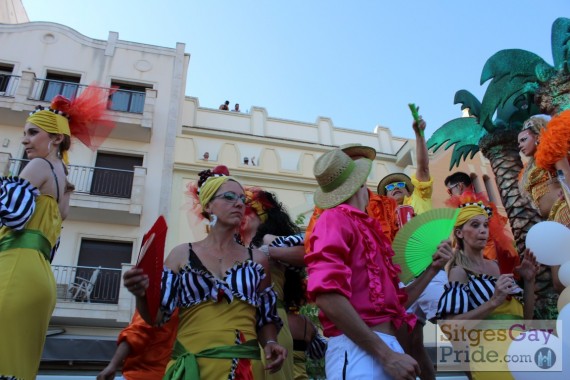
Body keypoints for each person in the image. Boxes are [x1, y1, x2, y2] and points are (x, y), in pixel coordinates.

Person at [305, 148, 453, 379]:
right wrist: (386, 355)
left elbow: (397, 302)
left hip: (384, 348)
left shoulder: (366, 227)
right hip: (361, 351)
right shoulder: (333, 218)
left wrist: (433, 269)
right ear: (362, 183)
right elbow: (326, 295)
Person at [123, 172, 287, 379]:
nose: (238, 204)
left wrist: (271, 342)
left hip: (243, 368)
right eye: (229, 197)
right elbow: (156, 318)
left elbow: (265, 317)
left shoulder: (258, 259)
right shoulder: (180, 254)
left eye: (242, 199)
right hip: (191, 368)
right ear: (208, 206)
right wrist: (140, 294)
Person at [0, 86, 114, 379]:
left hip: (13, 267)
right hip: (38, 275)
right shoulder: (63, 179)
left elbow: (10, 214)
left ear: (56, 138)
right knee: (17, 361)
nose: (25, 140)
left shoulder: (38, 165)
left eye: (33, 132)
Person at [436, 202, 539, 379]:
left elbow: (526, 321)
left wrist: (529, 281)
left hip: (524, 355)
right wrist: (493, 302)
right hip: (492, 359)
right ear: (459, 233)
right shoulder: (459, 272)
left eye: (485, 225)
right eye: (475, 225)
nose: (483, 230)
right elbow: (450, 327)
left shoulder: (498, 267)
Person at [378, 117, 441, 380]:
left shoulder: (419, 199)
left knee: (457, 327)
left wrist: (419, 135)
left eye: (399, 185)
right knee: (410, 342)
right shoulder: (378, 217)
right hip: (400, 280)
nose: (395, 189)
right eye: (388, 188)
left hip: (431, 268)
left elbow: (423, 168)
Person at [239, 187, 306, 379]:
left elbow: (309, 252)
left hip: (272, 321)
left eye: (248, 210)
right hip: (242, 321)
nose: (242, 214)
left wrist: (268, 252)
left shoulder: (267, 239)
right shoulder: (234, 247)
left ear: (263, 215)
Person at [518, 114, 569, 300]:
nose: (520, 145)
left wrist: (568, 192)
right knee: (558, 283)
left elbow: (566, 173)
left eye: (524, 139)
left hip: (564, 211)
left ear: (538, 136)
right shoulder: (529, 168)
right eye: (518, 143)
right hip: (551, 222)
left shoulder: (552, 149)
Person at [444, 172, 520, 276]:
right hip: (500, 256)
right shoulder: (485, 204)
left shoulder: (467, 207)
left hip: (483, 259)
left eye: (450, 191)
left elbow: (460, 242)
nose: (451, 195)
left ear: (460, 186)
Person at [97, 309, 179, 380]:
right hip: (166, 374)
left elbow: (136, 333)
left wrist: (112, 366)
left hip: (139, 374)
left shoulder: (162, 296)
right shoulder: (186, 303)